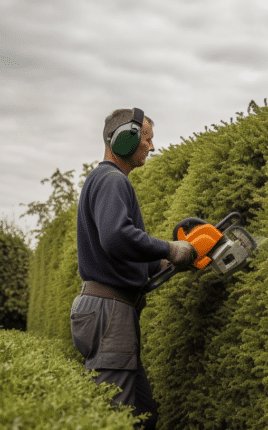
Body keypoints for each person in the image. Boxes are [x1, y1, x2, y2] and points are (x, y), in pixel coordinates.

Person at [69, 108, 198, 430]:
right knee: (115, 418)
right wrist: (171, 248)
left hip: (105, 307)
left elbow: (116, 249)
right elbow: (116, 237)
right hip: (110, 310)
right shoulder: (113, 180)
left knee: (142, 412)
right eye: (146, 139)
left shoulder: (102, 180)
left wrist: (163, 262)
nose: (152, 147)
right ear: (123, 139)